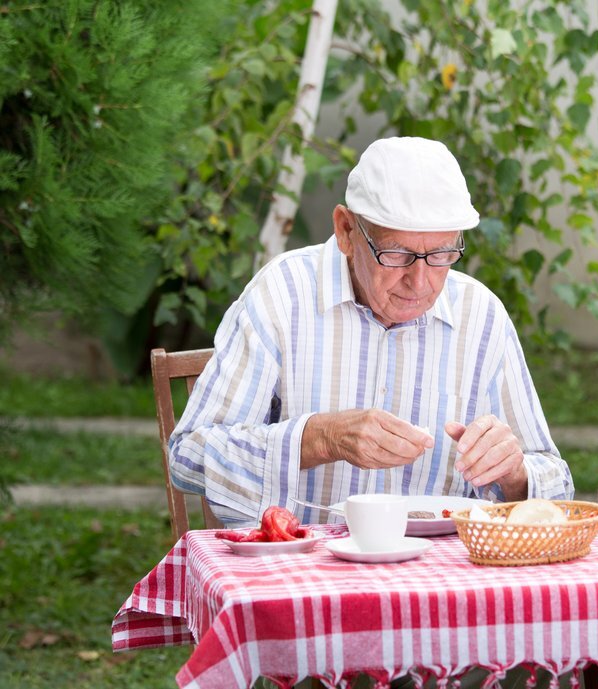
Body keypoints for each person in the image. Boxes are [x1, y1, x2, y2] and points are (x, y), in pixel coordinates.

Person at [168, 136, 573, 526]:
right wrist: (318, 438)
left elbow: (556, 485)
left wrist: (514, 472)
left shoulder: (480, 316)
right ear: (346, 230)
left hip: (439, 573)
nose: (421, 281)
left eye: (441, 255)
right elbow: (187, 456)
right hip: (307, 565)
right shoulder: (283, 294)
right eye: (396, 254)